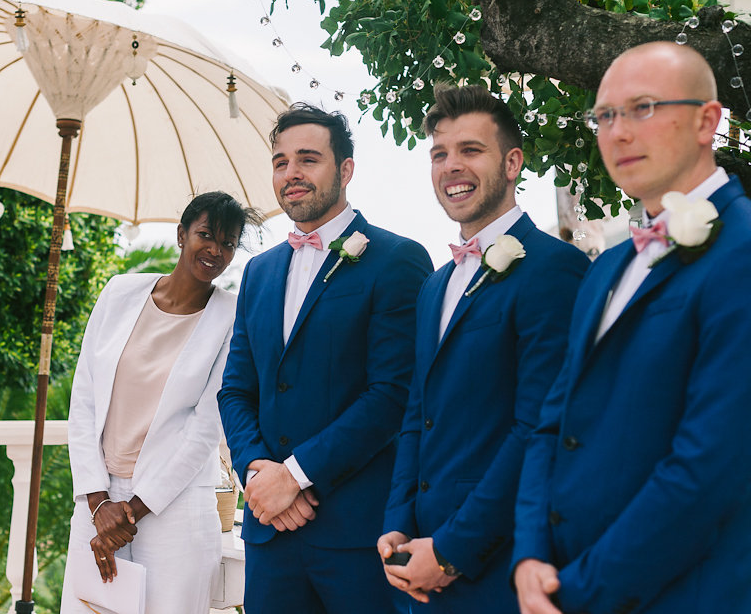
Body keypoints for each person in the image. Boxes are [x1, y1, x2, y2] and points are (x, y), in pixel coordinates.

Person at [513, 41, 751, 614]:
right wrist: (528, 558)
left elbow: (708, 468)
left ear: (707, 121)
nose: (617, 132)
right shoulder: (608, 269)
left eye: (642, 108)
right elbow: (552, 423)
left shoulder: (743, 253)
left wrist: (579, 592)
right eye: (604, 115)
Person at [377, 84, 589, 612]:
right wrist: (397, 522)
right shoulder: (434, 284)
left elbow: (538, 427)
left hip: (498, 565)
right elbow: (415, 414)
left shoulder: (555, 270)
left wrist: (452, 551)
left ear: (513, 162)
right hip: (416, 565)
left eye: (471, 150)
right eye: (439, 154)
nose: (451, 166)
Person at [218, 102, 433, 614]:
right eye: (280, 161)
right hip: (271, 536)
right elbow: (236, 389)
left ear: (345, 170)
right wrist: (259, 473)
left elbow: (392, 394)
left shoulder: (396, 259)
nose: (291, 173)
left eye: (307, 159)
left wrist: (294, 477)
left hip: (357, 537)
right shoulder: (259, 272)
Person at [60, 191, 262, 614]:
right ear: (181, 234)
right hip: (97, 501)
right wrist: (99, 504)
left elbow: (206, 429)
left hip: (175, 509)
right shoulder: (119, 293)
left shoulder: (231, 316)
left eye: (227, 243)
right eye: (205, 234)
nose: (215, 250)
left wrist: (128, 513)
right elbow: (83, 403)